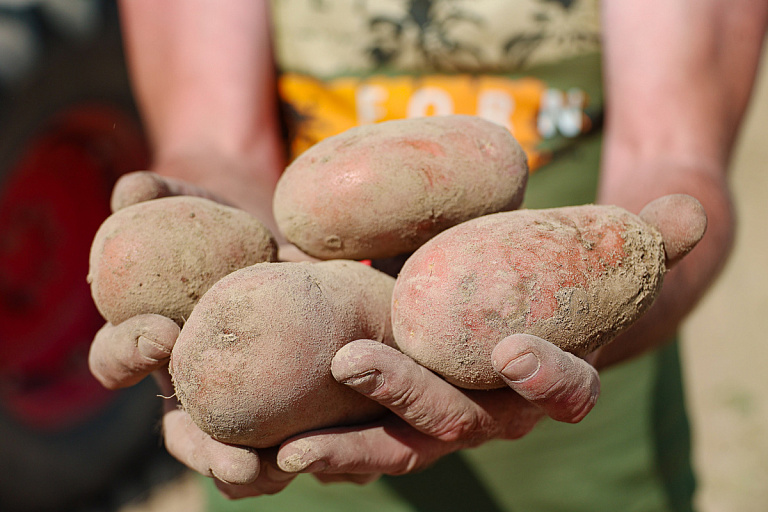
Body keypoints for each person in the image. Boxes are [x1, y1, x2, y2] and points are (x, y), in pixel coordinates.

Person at [88, 0, 767, 510]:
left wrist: (620, 281)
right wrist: (198, 260)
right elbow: (219, 142)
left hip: (587, 434)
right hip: (303, 419)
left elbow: (670, 151)